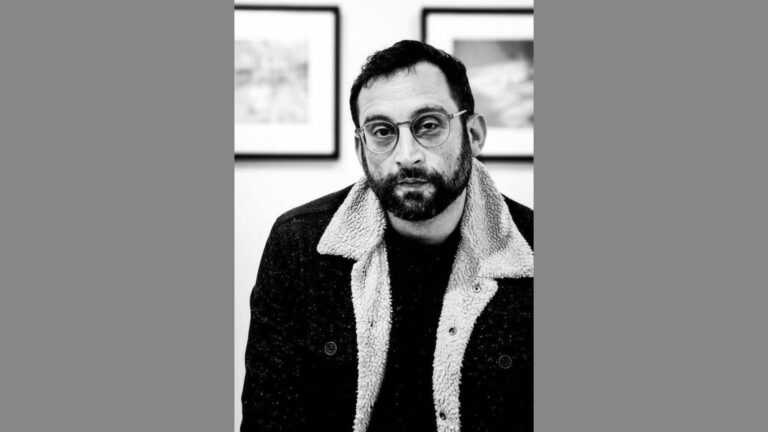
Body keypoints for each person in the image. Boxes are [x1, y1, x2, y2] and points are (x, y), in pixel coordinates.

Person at [241, 40, 534, 432]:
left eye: (429, 125)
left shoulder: (531, 250)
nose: (407, 154)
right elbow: (269, 419)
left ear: (474, 134)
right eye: (382, 132)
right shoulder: (299, 245)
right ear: (362, 151)